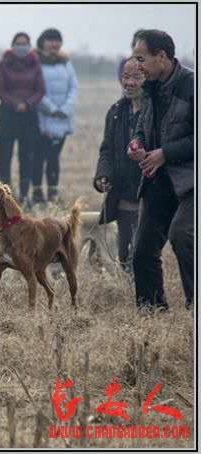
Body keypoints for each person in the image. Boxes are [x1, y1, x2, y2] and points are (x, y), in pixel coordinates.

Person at [128, 30, 194, 313]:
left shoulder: (192, 86)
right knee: (142, 249)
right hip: (159, 181)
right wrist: (138, 143)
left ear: (162, 57)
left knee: (182, 236)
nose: (137, 65)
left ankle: (196, 308)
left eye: (141, 58)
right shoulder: (150, 88)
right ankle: (151, 312)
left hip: (191, 181)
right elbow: (143, 125)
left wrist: (165, 153)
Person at [92, 58, 146, 275]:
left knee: (143, 250)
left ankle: (148, 299)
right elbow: (107, 150)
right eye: (126, 76)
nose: (129, 82)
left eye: (136, 77)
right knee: (124, 252)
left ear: (148, 78)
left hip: (149, 192)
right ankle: (132, 292)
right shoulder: (116, 112)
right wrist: (102, 175)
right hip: (123, 193)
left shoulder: (157, 111)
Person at [0, 32, 45, 205]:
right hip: (7, 115)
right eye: (18, 43)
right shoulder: (4, 63)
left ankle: (24, 195)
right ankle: (5, 195)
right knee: (5, 157)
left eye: (24, 43)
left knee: (26, 157)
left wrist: (27, 104)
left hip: (29, 117)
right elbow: (0, 89)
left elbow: (40, 89)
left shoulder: (35, 63)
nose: (21, 47)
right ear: (12, 45)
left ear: (29, 46)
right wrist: (16, 104)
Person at [33, 28, 79, 204]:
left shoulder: (65, 62)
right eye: (50, 40)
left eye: (57, 40)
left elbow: (74, 87)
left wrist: (65, 108)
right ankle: (37, 192)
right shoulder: (35, 60)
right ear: (42, 42)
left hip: (62, 117)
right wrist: (51, 109)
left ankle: (53, 192)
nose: (54, 44)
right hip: (42, 117)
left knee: (54, 157)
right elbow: (34, 87)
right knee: (39, 156)